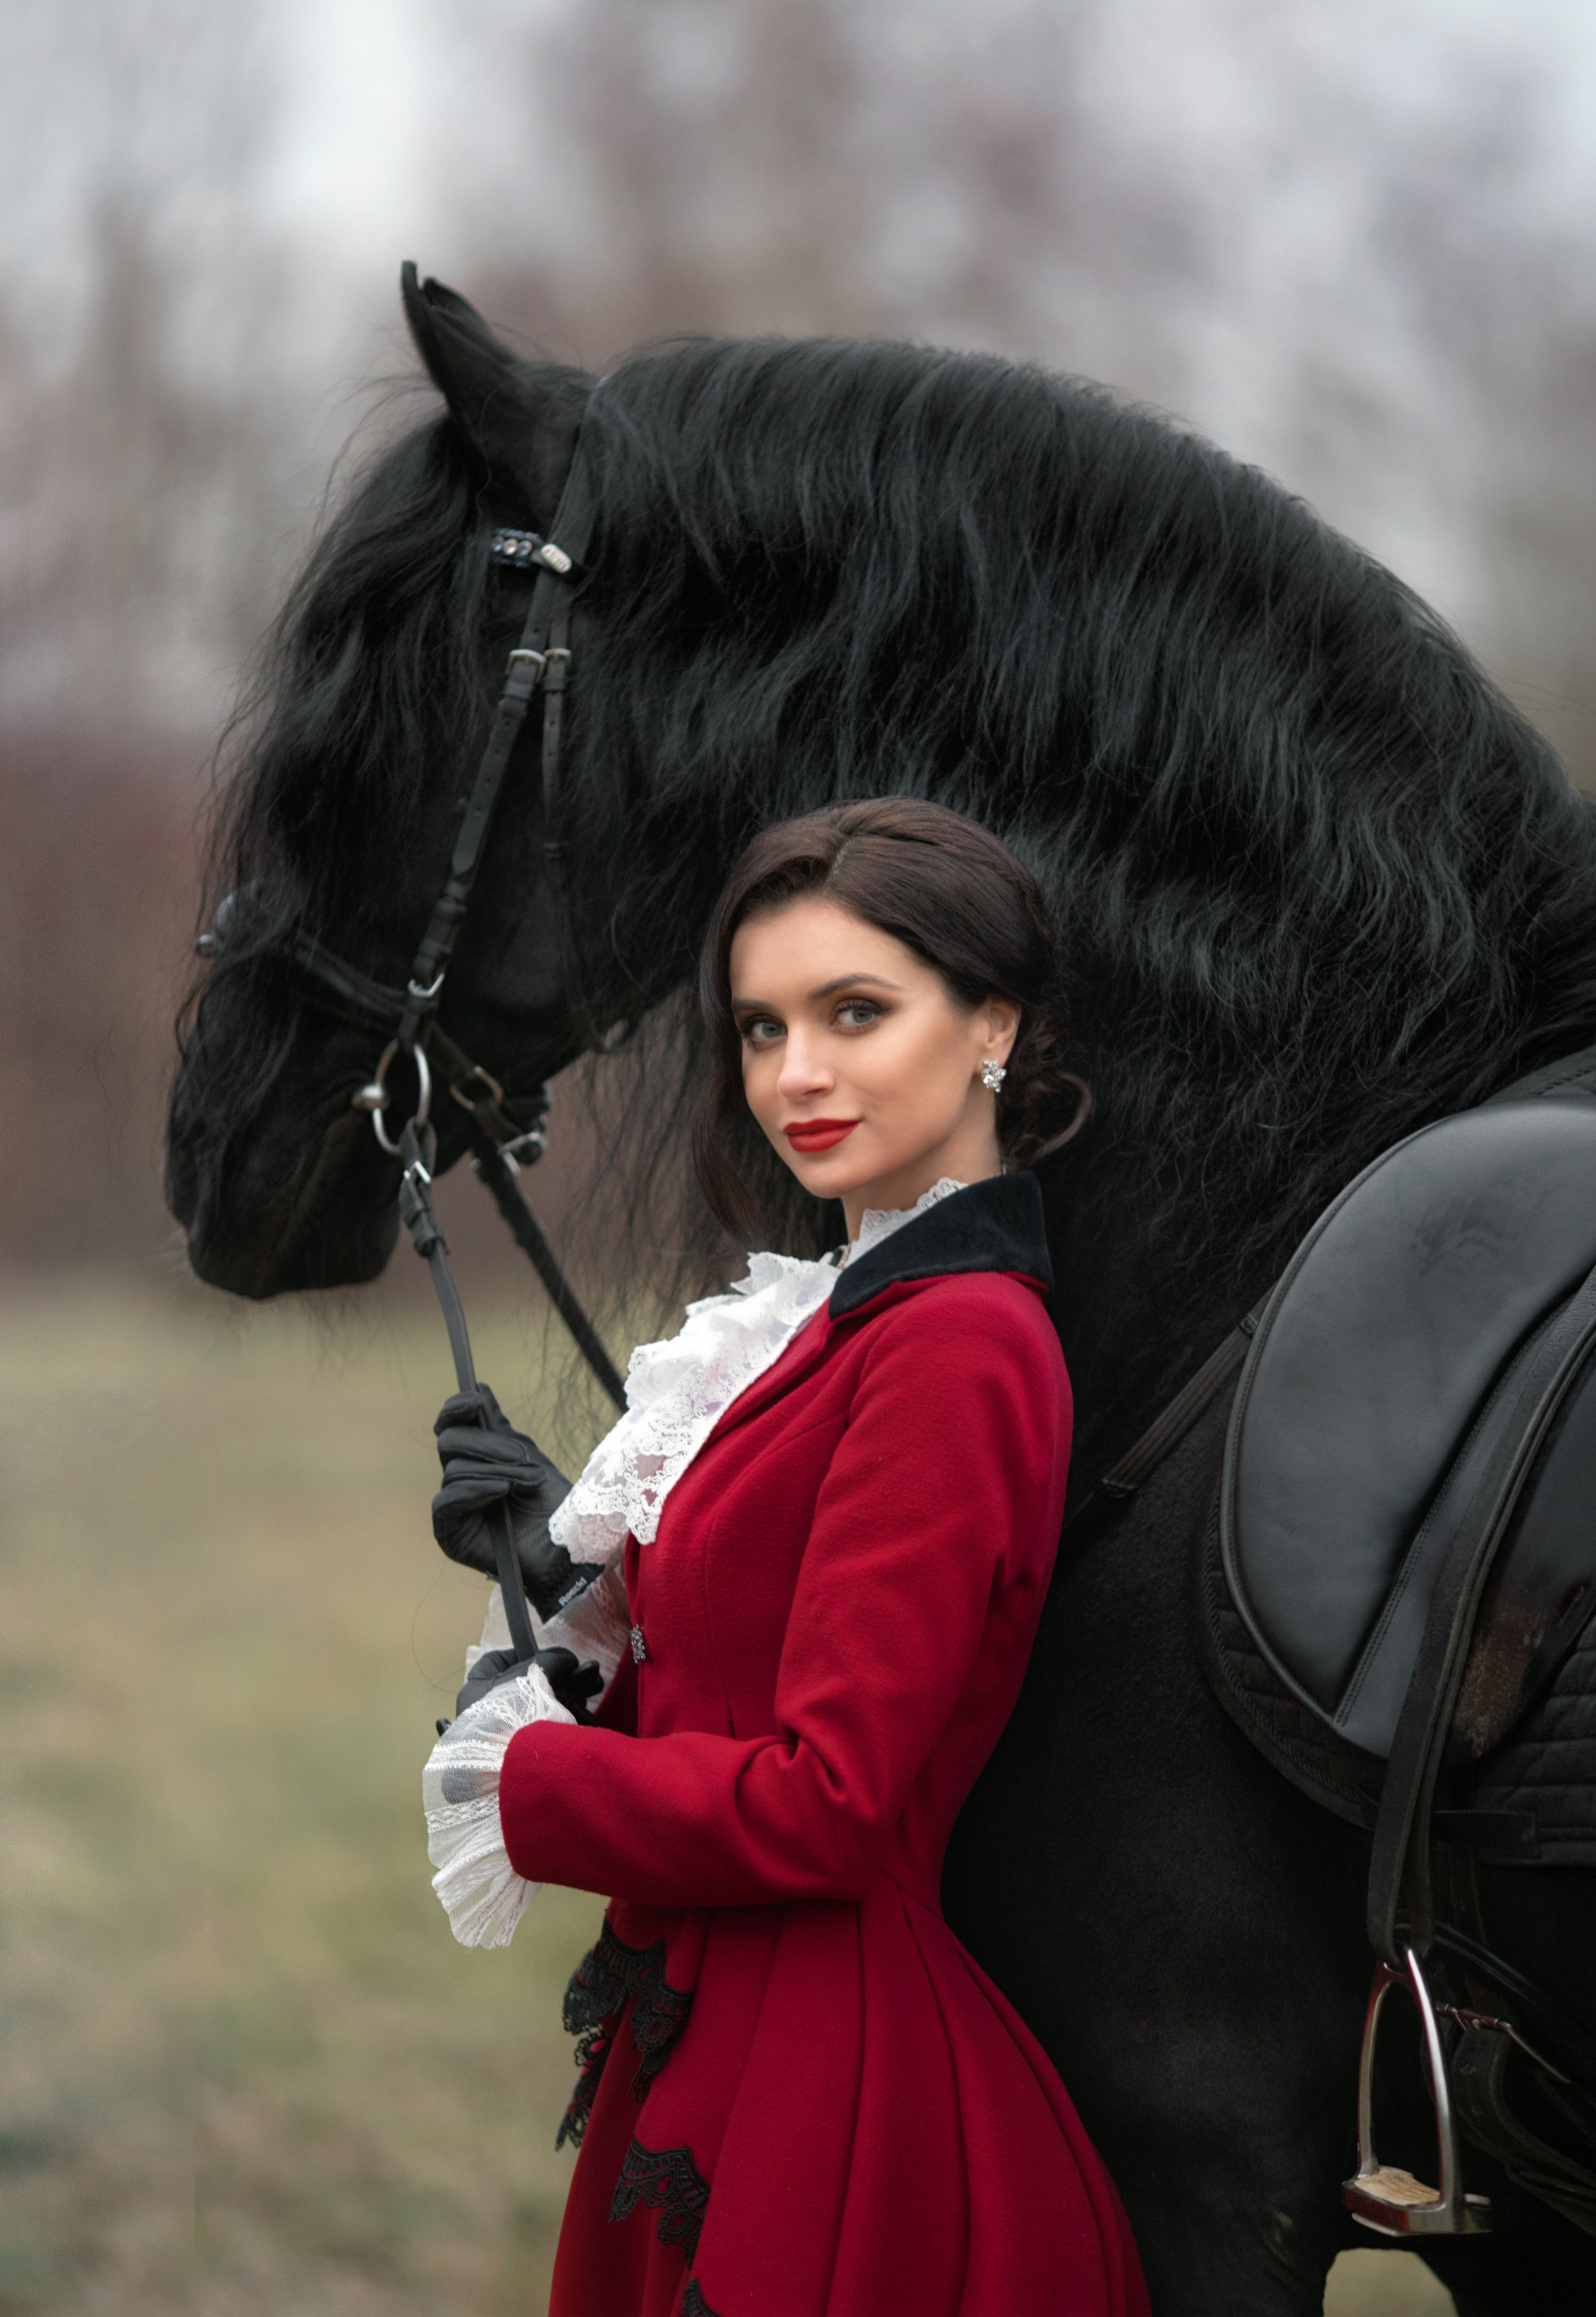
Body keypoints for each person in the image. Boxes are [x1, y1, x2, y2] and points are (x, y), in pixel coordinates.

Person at [421, 797, 1148, 2317]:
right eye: (760, 1028)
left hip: (834, 2088)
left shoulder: (954, 1342)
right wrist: (566, 1562)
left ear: (991, 1025)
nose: (793, 1075)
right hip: (726, 2027)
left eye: (854, 1012)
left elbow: (827, 1800)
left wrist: (529, 1780)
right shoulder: (843, 1313)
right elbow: (744, 1662)